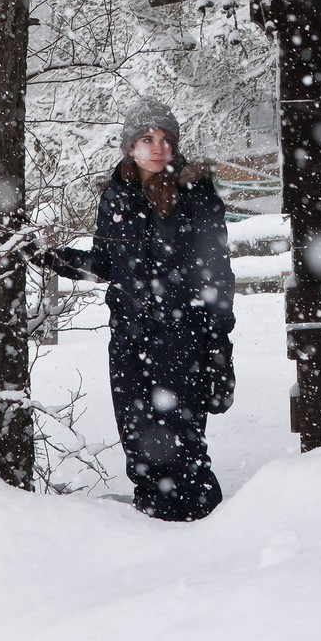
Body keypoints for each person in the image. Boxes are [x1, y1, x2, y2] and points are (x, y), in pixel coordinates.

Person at [36, 96, 235, 521]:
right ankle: (151, 523)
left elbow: (219, 276)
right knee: (137, 438)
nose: (158, 146)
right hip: (129, 337)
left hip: (184, 336)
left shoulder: (197, 195)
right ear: (130, 147)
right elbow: (108, 263)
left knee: (183, 443)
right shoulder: (117, 197)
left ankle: (207, 528)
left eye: (166, 138)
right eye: (147, 138)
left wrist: (219, 348)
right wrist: (50, 257)